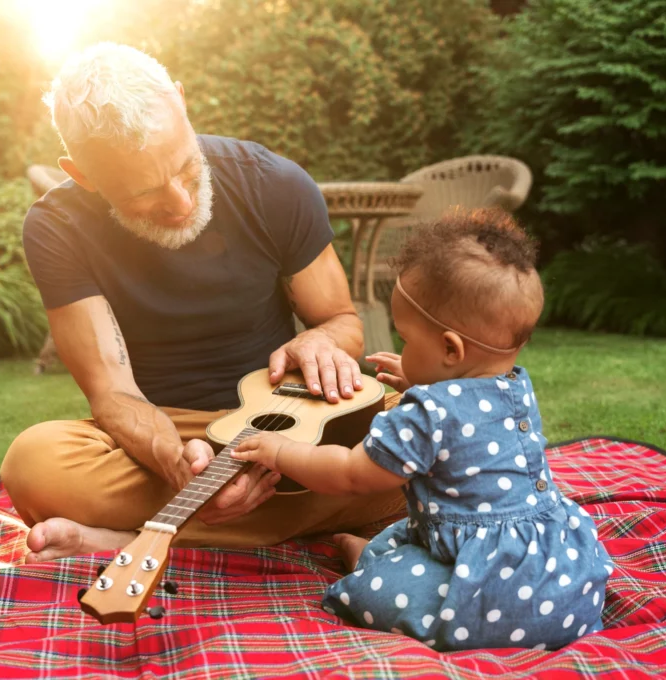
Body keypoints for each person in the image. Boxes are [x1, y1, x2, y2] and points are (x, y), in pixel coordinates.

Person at [0, 42, 405, 562]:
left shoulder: (273, 183)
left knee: (436, 432)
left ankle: (138, 535)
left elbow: (341, 321)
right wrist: (178, 466)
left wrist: (319, 340)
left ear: (182, 103)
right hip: (168, 433)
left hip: (294, 424)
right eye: (145, 191)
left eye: (186, 168)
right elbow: (112, 393)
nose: (181, 203)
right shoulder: (57, 228)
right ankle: (307, 513)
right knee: (34, 464)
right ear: (83, 175)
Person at [233, 208, 611, 651]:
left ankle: (369, 567)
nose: (400, 348)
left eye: (406, 339)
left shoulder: (425, 415)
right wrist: (422, 381)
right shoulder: (515, 388)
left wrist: (281, 452)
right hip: (564, 582)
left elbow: (351, 473)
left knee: (385, 585)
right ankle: (381, 557)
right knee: (403, 534)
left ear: (450, 349)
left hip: (493, 597)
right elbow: (466, 416)